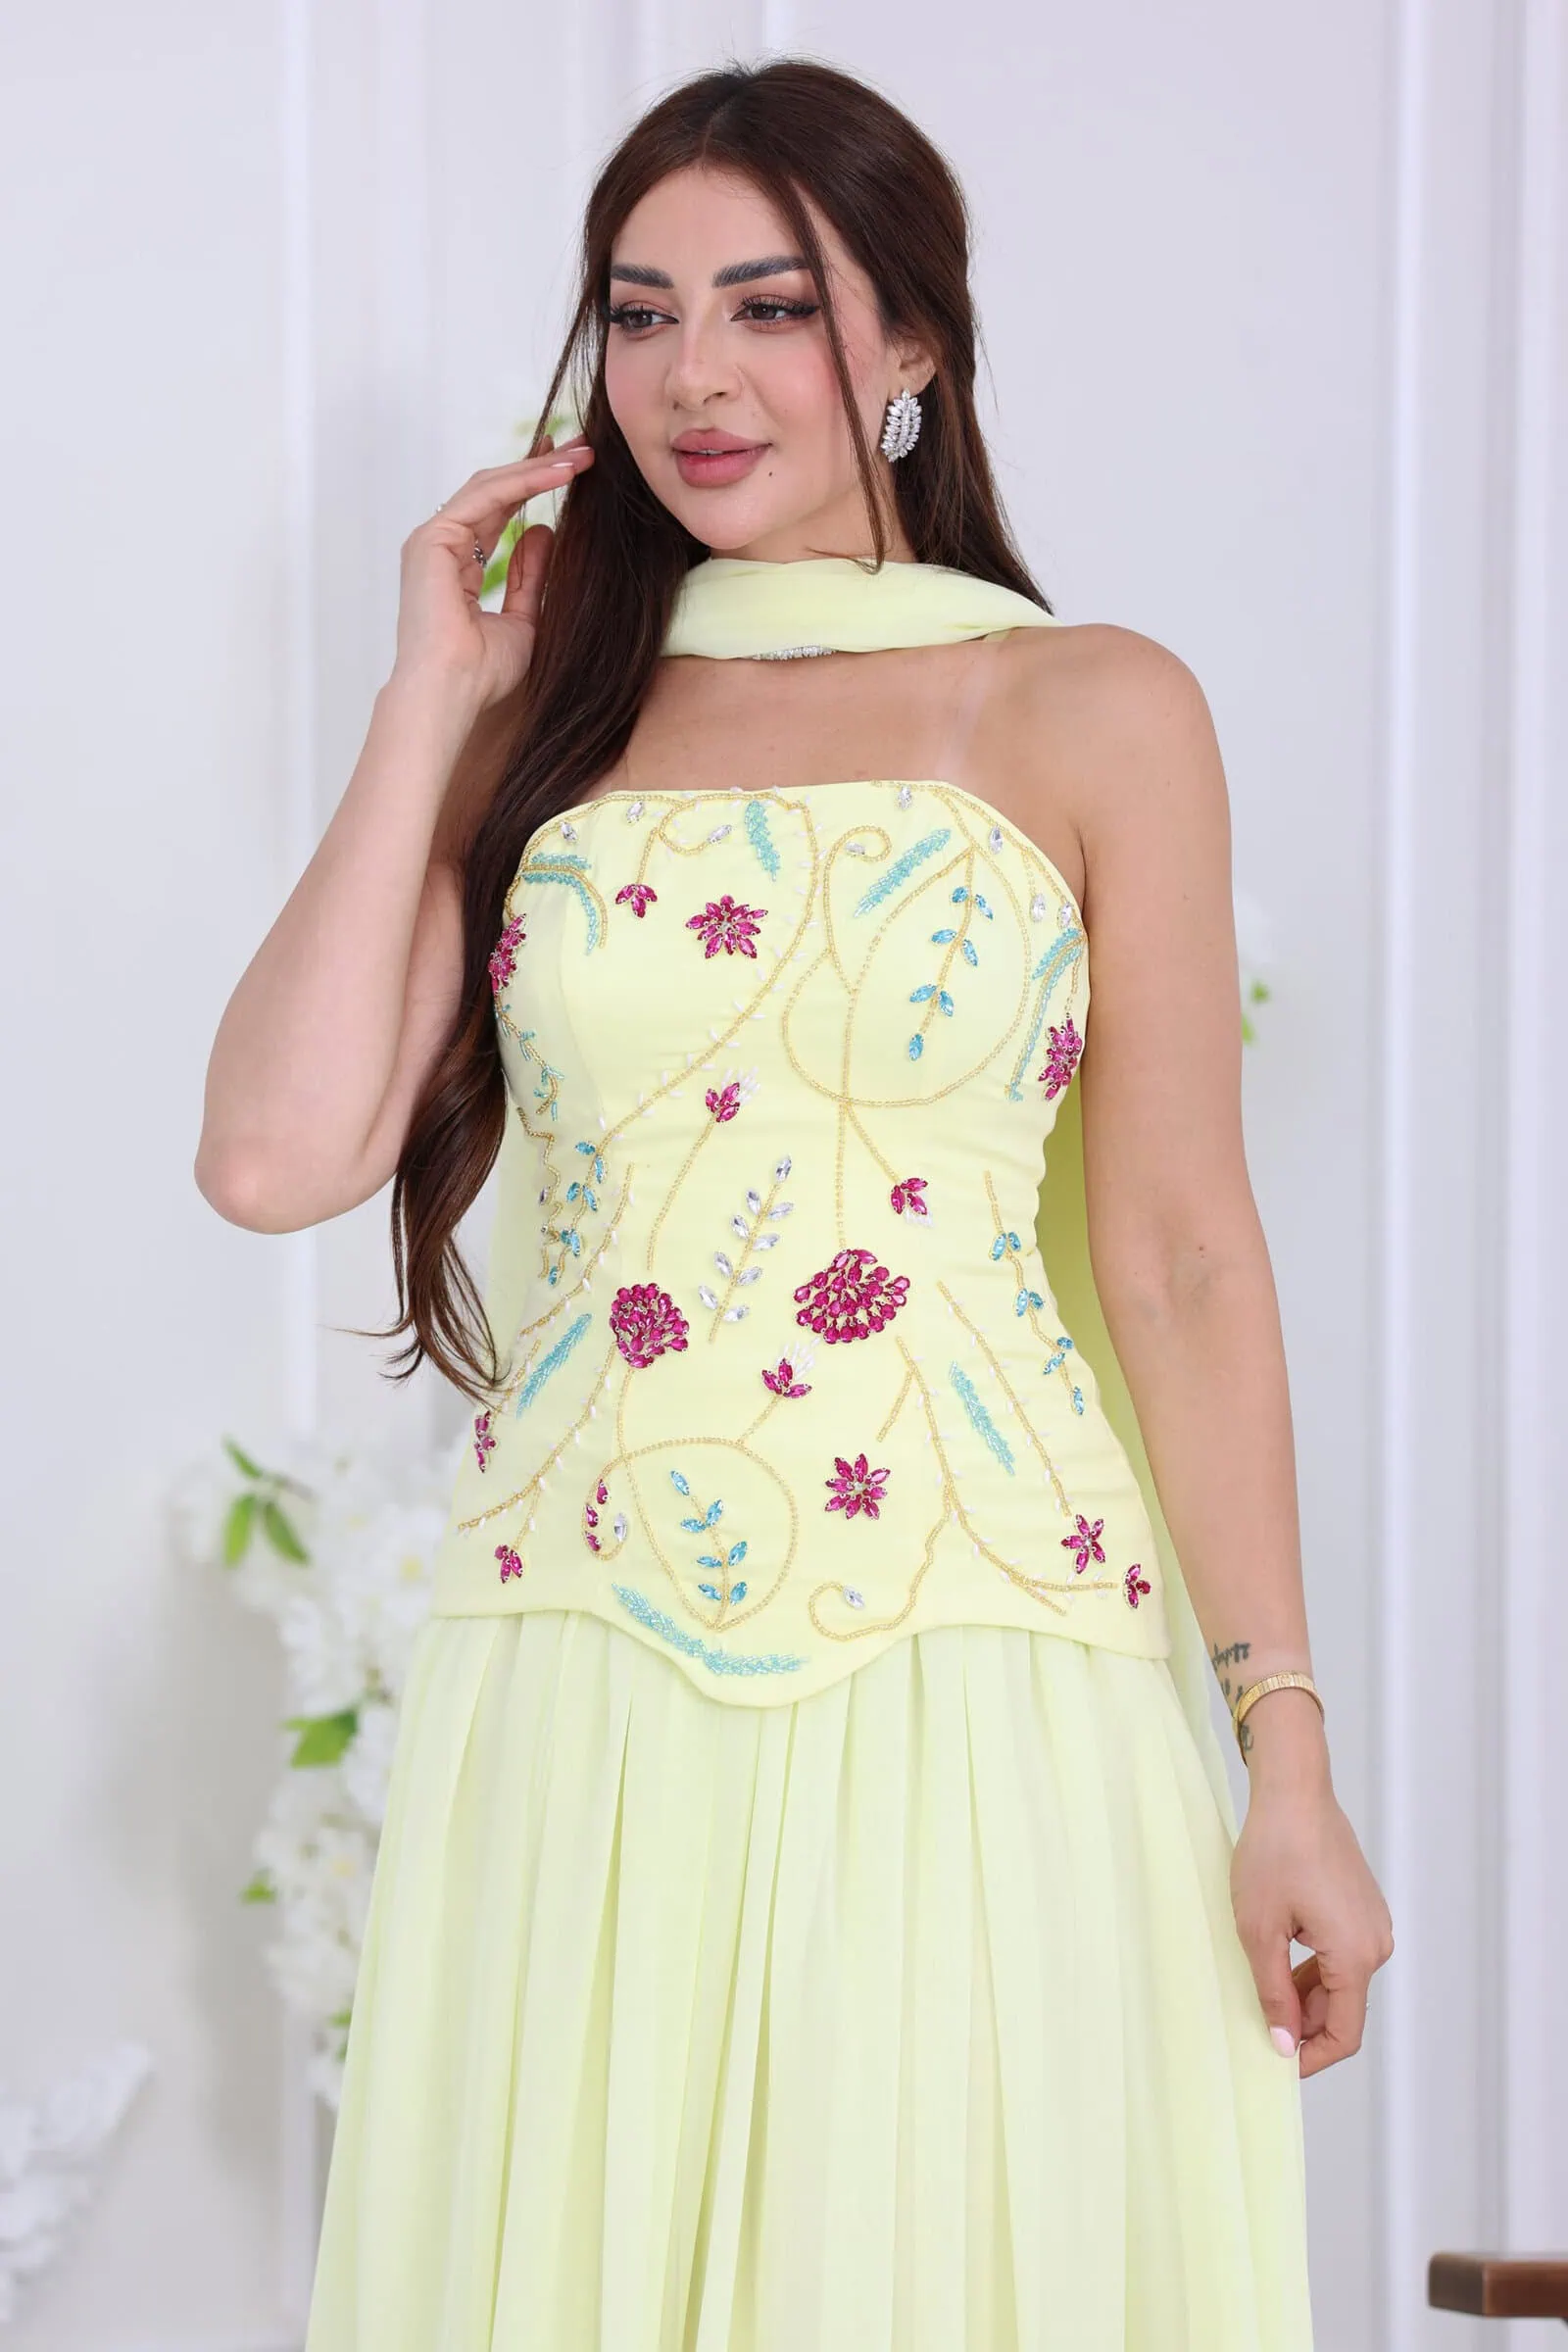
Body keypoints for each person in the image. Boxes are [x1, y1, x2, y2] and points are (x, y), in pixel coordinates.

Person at [197, 55, 1393, 2352]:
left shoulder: (1087, 708)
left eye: (768, 307)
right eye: (640, 316)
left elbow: (1177, 1259)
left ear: (910, 339)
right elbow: (273, 1153)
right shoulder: (547, 723)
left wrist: (1287, 1758)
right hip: (583, 1670)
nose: (695, 377)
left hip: (976, 1657)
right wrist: (427, 698)